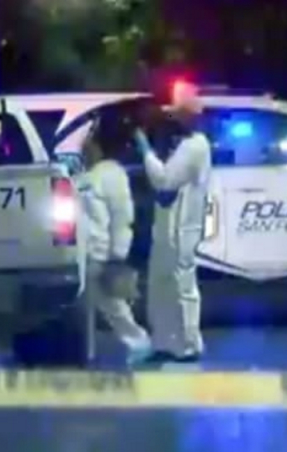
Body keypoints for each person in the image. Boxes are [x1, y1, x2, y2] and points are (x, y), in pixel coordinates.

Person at [132, 84, 212, 362]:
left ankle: (189, 344)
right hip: (168, 226)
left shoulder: (194, 146)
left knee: (181, 284)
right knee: (160, 285)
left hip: (182, 228)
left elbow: (164, 181)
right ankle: (165, 342)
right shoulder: (181, 144)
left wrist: (145, 149)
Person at [79, 126, 152, 366]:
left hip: (101, 253)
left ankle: (138, 341)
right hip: (84, 251)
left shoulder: (111, 174)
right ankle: (91, 350)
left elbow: (122, 216)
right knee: (97, 303)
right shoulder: (88, 175)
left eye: (88, 144)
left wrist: (117, 255)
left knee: (110, 302)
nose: (83, 148)